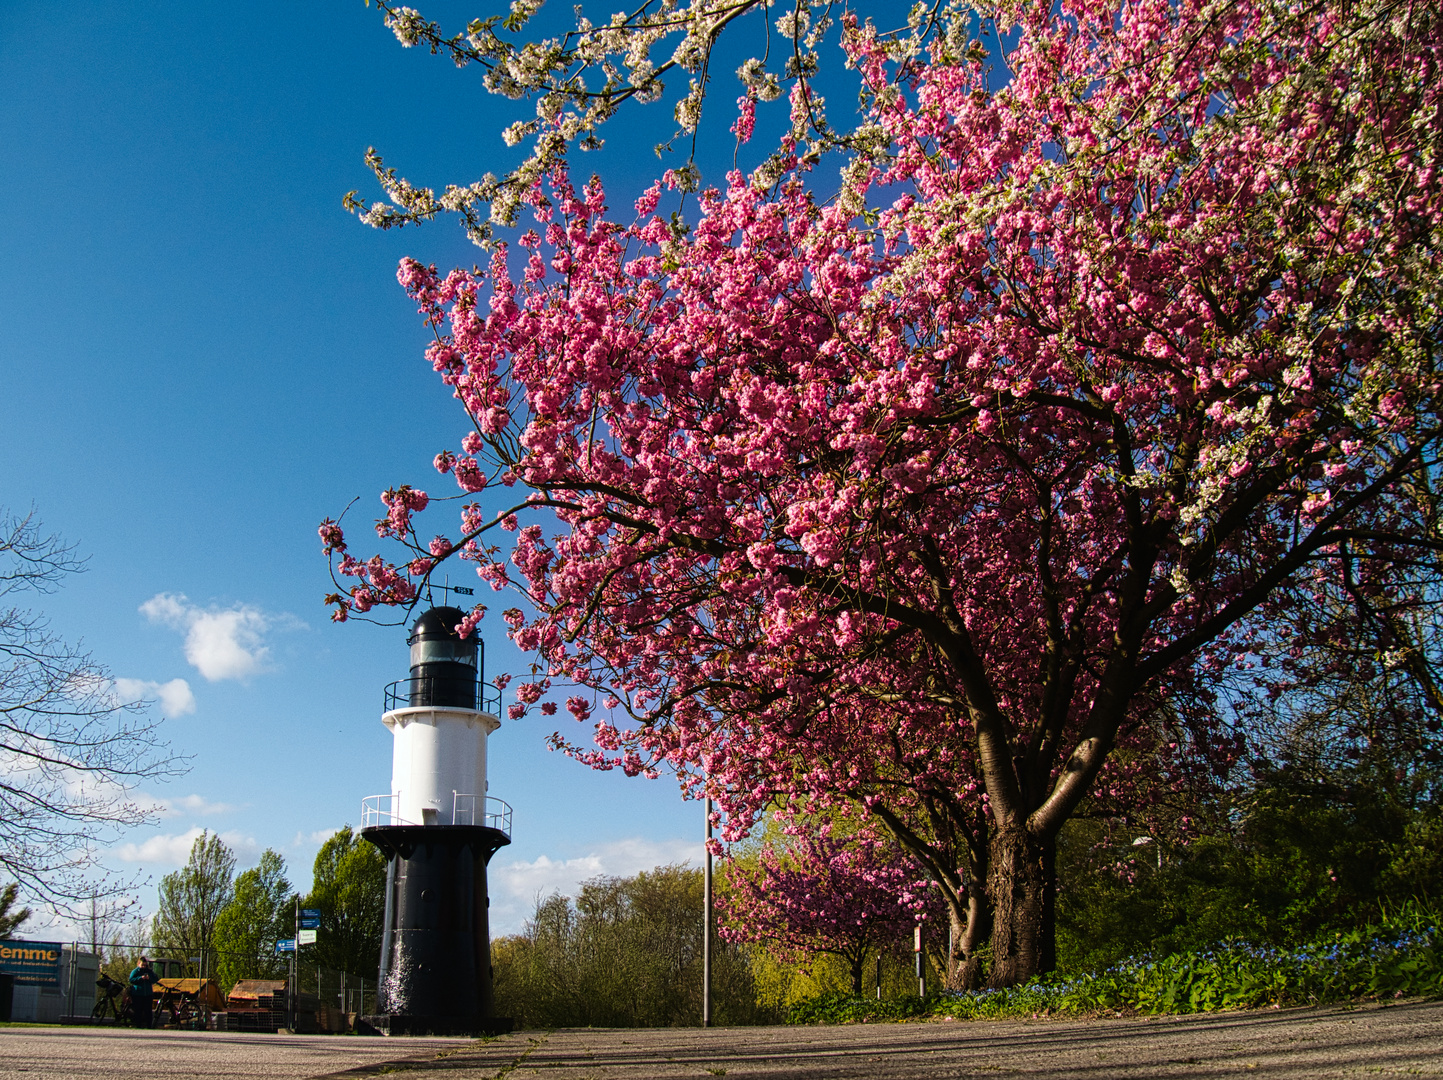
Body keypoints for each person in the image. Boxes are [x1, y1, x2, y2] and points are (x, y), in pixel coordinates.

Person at [128, 956, 158, 1029]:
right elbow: (131, 980)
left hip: (148, 994)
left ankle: (149, 1026)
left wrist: (149, 978)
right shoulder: (135, 971)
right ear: (139, 964)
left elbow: (155, 979)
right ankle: (138, 1025)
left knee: (148, 1011)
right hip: (137, 994)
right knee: (138, 1011)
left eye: (145, 965)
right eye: (142, 965)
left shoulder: (149, 971)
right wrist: (140, 978)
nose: (144, 967)